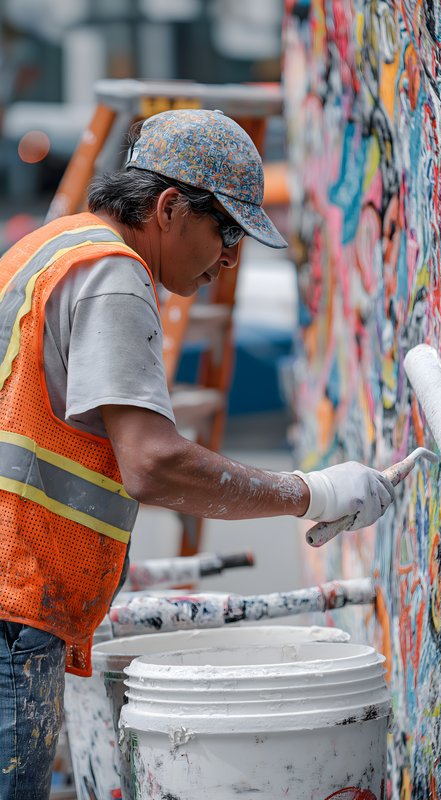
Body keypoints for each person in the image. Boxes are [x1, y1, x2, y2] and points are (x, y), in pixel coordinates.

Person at [0, 108, 395, 798]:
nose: (230, 259)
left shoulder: (50, 246)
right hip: (13, 603)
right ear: (169, 207)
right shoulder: (111, 274)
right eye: (227, 232)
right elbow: (153, 464)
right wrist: (314, 492)